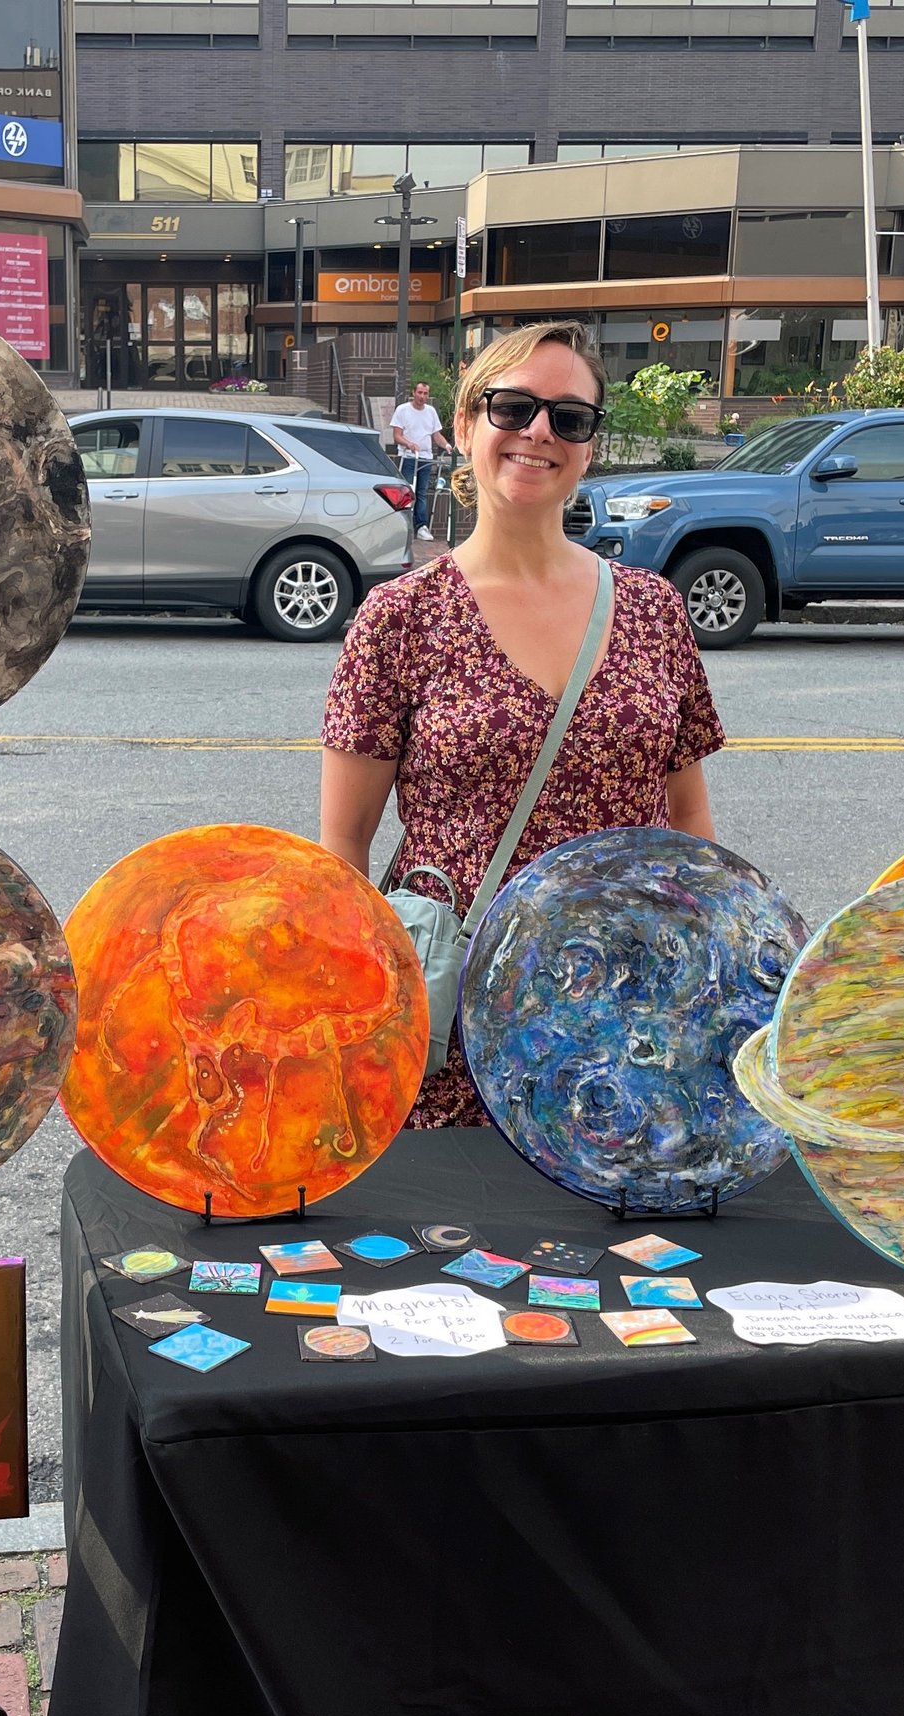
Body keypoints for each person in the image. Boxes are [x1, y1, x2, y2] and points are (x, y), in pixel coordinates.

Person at [321, 321, 724, 1128]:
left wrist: (706, 973)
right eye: (513, 407)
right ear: (466, 423)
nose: (539, 431)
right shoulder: (400, 617)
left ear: (589, 447)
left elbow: (688, 820)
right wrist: (365, 1013)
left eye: (569, 417)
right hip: (459, 1021)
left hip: (625, 1019)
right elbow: (343, 849)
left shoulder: (654, 610)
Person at [390, 381, 445, 541]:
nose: (422, 396)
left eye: (425, 393)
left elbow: (436, 435)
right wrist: (409, 444)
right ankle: (403, 525)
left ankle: (421, 526)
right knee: (407, 492)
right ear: (413, 393)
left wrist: (447, 445)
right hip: (408, 457)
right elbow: (397, 436)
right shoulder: (403, 410)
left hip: (425, 458)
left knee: (421, 493)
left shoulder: (431, 411)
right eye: (419, 392)